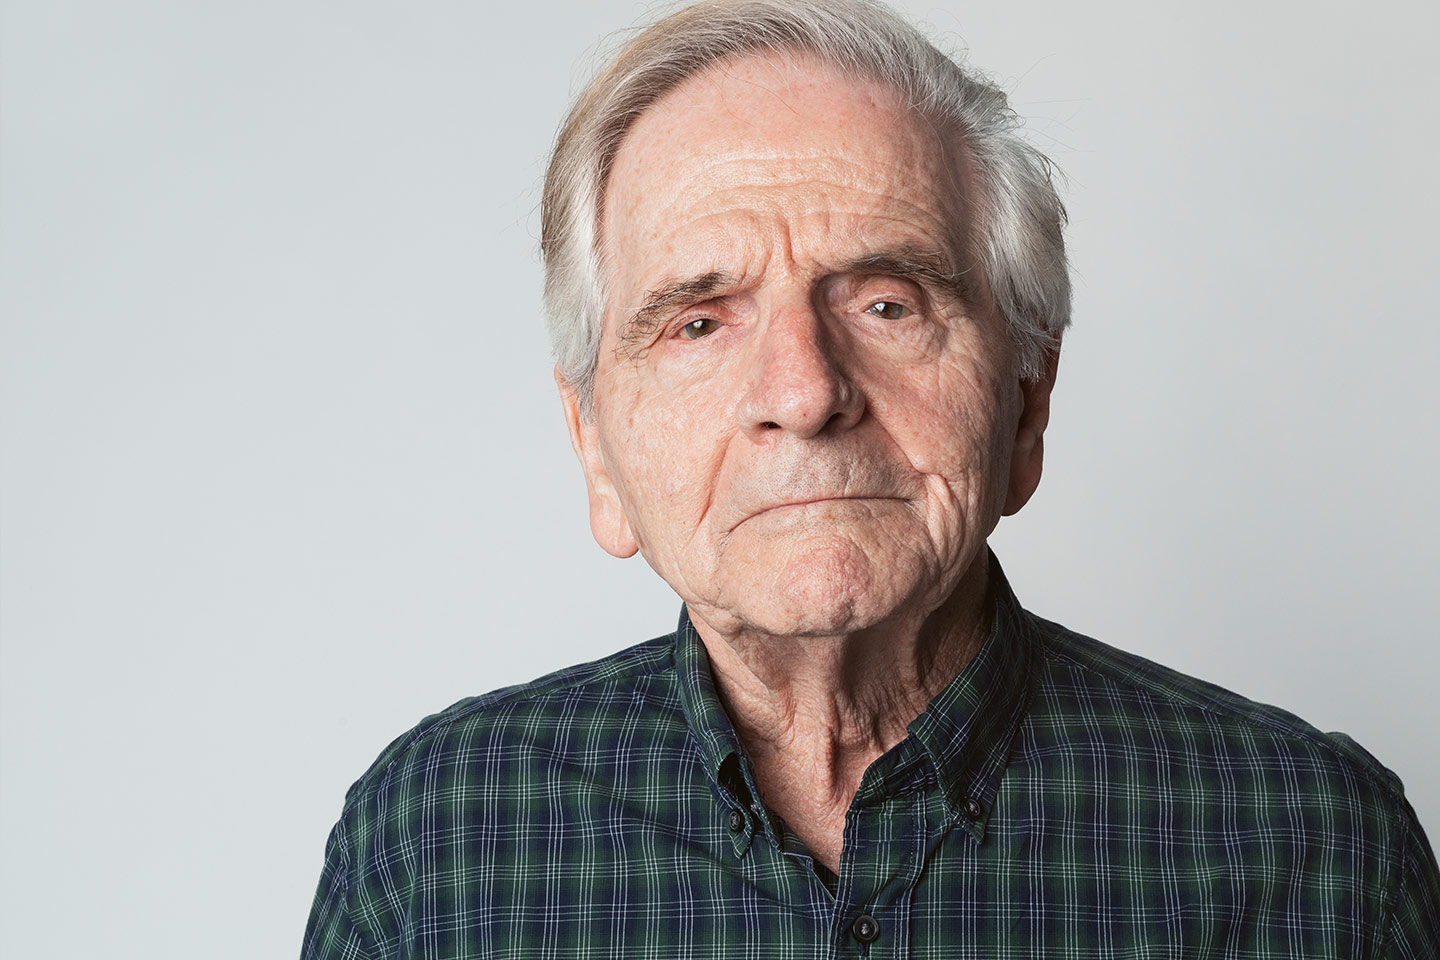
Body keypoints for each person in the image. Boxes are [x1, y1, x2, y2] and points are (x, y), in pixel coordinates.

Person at [301, 0, 1440, 956]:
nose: (802, 392)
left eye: (886, 303)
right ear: (594, 443)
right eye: (698, 322)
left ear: (1028, 397)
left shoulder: (1309, 850)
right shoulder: (436, 851)